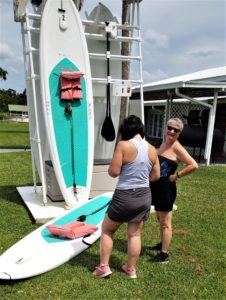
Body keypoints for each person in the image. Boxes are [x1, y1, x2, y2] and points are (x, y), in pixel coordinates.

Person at [93, 115, 160, 279]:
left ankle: (103, 267)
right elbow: (156, 176)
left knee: (108, 230)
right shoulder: (152, 148)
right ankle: (131, 269)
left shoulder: (123, 145)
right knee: (134, 234)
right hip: (144, 195)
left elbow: (113, 172)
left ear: (125, 130)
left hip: (125, 195)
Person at [149, 117, 198, 263]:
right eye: (169, 128)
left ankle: (164, 254)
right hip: (156, 187)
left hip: (166, 189)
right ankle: (162, 243)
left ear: (179, 133)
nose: (171, 131)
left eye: (175, 130)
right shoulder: (164, 144)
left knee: (165, 222)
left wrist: (177, 175)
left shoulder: (177, 147)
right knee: (160, 218)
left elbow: (193, 165)